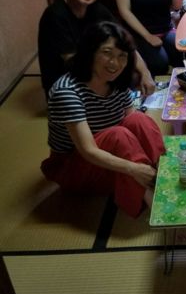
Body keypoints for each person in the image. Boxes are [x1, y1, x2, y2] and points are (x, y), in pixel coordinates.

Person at [41, 21, 165, 218]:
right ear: (89, 52)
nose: (115, 63)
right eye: (107, 53)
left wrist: (142, 164)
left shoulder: (116, 81)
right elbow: (88, 150)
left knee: (139, 120)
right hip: (73, 167)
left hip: (110, 158)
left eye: (122, 56)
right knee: (118, 134)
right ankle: (157, 207)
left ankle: (162, 173)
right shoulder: (67, 91)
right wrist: (134, 169)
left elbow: (132, 122)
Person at [38, 0, 155, 100]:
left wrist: (145, 73)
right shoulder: (55, 15)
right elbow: (72, 62)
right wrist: (113, 68)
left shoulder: (98, 10)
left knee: (135, 74)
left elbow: (125, 42)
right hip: (65, 83)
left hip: (93, 70)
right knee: (123, 76)